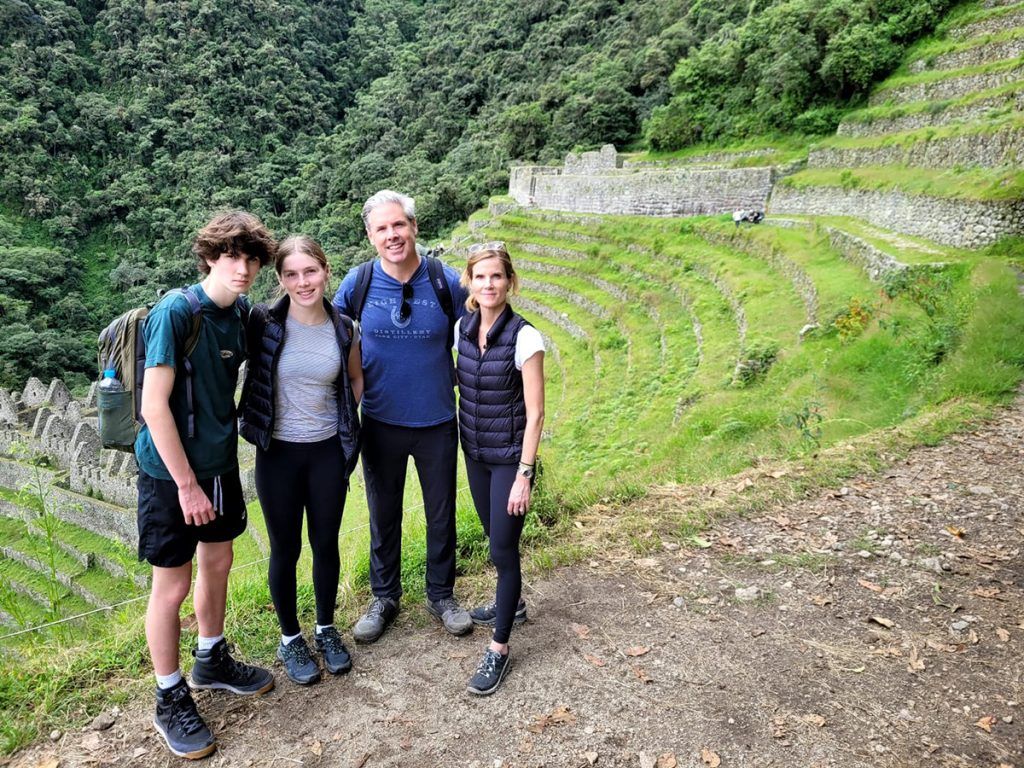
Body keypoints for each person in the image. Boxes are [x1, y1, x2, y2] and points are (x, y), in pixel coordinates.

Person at [137, 211, 277, 759]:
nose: (242, 268)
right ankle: (168, 695)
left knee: (218, 560)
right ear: (210, 258)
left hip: (219, 464)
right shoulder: (177, 312)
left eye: (251, 259)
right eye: (231, 257)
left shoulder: (240, 314)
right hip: (170, 473)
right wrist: (186, 486)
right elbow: (153, 406)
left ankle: (211, 658)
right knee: (171, 586)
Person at [332, 190, 472, 642]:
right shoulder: (359, 282)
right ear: (370, 236)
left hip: (436, 420)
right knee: (383, 513)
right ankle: (384, 596)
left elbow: (477, 322)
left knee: (441, 513)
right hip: (380, 421)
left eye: (399, 225)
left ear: (413, 227)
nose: (392, 235)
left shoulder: (443, 279)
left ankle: (441, 594)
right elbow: (328, 329)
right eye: (382, 228)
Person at [238, 236, 363, 685]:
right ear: (280, 279)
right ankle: (290, 637)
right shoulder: (263, 322)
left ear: (325, 271)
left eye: (310, 271)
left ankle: (326, 628)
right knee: (285, 549)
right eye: (291, 274)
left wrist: (342, 420)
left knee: (325, 543)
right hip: (278, 453)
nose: (302, 282)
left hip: (327, 450)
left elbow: (355, 378)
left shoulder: (344, 327)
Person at [455, 241, 545, 695]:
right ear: (469, 281)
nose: (488, 284)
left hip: (510, 459)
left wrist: (524, 475)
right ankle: (514, 604)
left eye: (497, 276)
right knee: (495, 539)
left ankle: (499, 648)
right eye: (480, 276)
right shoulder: (462, 328)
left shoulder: (526, 337)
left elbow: (536, 413)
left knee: (503, 552)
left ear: (510, 281)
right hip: (475, 454)